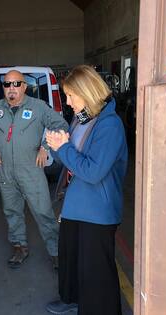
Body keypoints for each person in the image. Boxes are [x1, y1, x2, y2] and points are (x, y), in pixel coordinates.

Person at [45, 65, 127, 315]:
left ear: (87, 92)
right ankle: (73, 300)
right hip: (76, 205)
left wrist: (63, 149)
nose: (67, 102)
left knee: (96, 271)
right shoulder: (82, 118)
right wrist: (54, 146)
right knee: (72, 261)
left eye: (71, 95)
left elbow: (92, 172)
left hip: (97, 210)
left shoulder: (109, 125)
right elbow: (69, 158)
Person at [0, 70, 68, 269]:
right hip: (6, 171)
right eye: (7, 84)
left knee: (43, 212)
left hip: (31, 170)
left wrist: (45, 146)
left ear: (24, 86)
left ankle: (57, 252)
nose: (11, 88)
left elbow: (61, 124)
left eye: (16, 84)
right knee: (12, 211)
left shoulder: (38, 107)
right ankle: (19, 247)